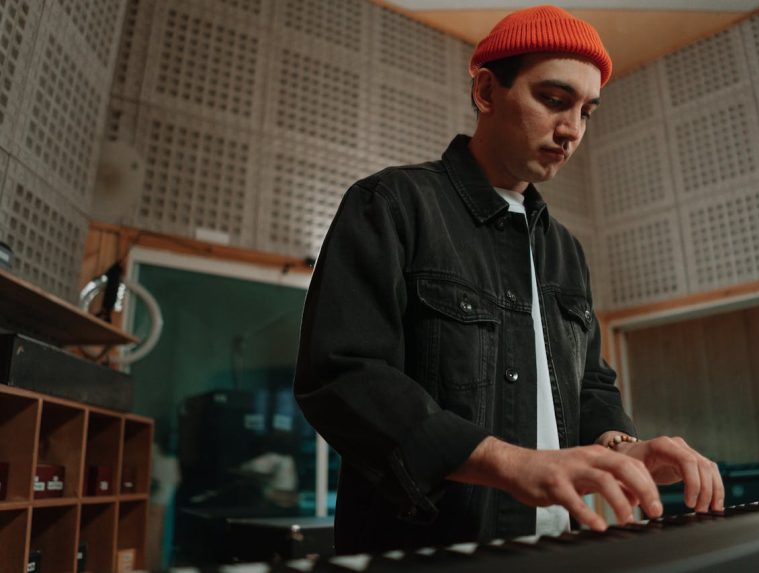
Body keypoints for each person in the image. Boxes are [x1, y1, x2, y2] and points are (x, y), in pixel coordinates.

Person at [294, 5, 724, 555]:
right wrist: (509, 463)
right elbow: (343, 375)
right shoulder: (393, 204)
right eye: (554, 99)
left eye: (586, 111)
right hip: (426, 554)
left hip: (554, 549)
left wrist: (621, 447)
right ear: (486, 91)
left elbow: (591, 384)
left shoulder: (565, 250)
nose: (572, 130)